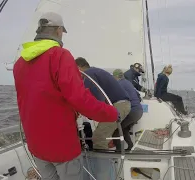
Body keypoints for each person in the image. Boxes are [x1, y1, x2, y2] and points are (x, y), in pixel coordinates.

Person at [13, 12, 118, 180]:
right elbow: (80, 99)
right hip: (62, 146)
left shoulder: (19, 63)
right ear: (58, 30)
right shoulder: (60, 56)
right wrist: (112, 113)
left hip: (36, 144)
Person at [75, 57, 131, 149]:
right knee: (102, 135)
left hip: (118, 106)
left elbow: (94, 97)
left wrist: (88, 113)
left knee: (99, 138)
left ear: (78, 67)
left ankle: (103, 163)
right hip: (122, 104)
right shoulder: (95, 71)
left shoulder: (88, 74)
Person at [112, 69, 143, 150]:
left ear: (115, 77)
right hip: (139, 111)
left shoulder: (119, 84)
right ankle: (130, 147)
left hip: (132, 112)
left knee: (116, 130)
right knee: (124, 129)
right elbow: (137, 95)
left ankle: (118, 152)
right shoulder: (128, 82)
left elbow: (114, 98)